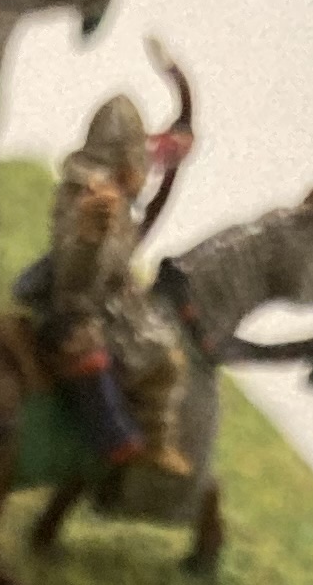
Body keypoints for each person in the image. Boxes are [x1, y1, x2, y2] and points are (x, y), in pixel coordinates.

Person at [18, 90, 195, 478]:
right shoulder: (87, 198)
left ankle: (156, 441)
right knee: (162, 360)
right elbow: (75, 273)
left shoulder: (117, 195)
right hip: (79, 306)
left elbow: (122, 251)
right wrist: (89, 238)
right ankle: (133, 442)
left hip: (110, 299)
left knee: (164, 346)